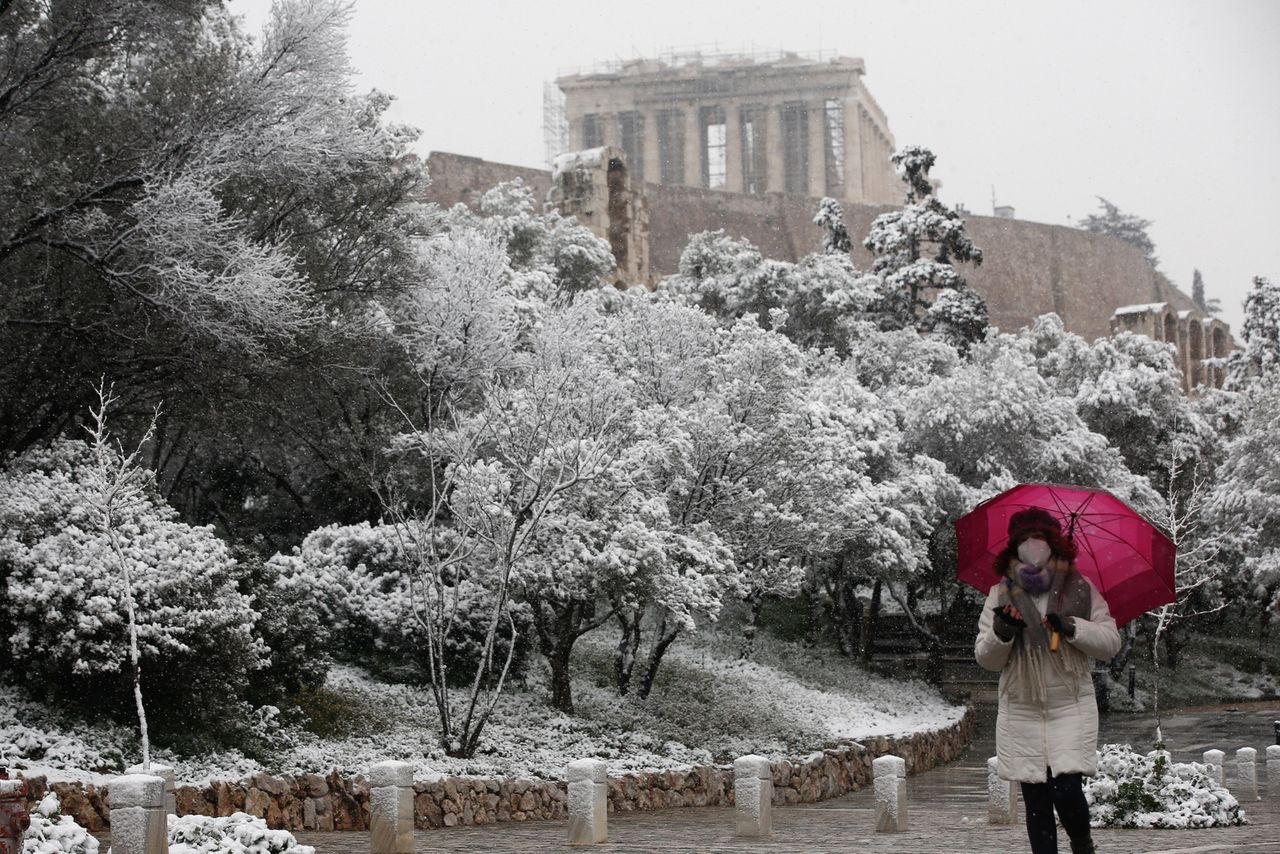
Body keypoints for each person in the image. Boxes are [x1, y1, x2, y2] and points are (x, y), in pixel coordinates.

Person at [975, 506, 1122, 854]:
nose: (1032, 545)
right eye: (1024, 539)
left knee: (1066, 790)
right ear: (1013, 547)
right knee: (1037, 800)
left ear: (1054, 543)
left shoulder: (1081, 590)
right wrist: (1003, 631)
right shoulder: (1000, 594)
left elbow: (1110, 644)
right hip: (1021, 707)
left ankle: (1082, 844)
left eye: (1038, 537)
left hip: (1069, 705)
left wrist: (1071, 627)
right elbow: (986, 658)